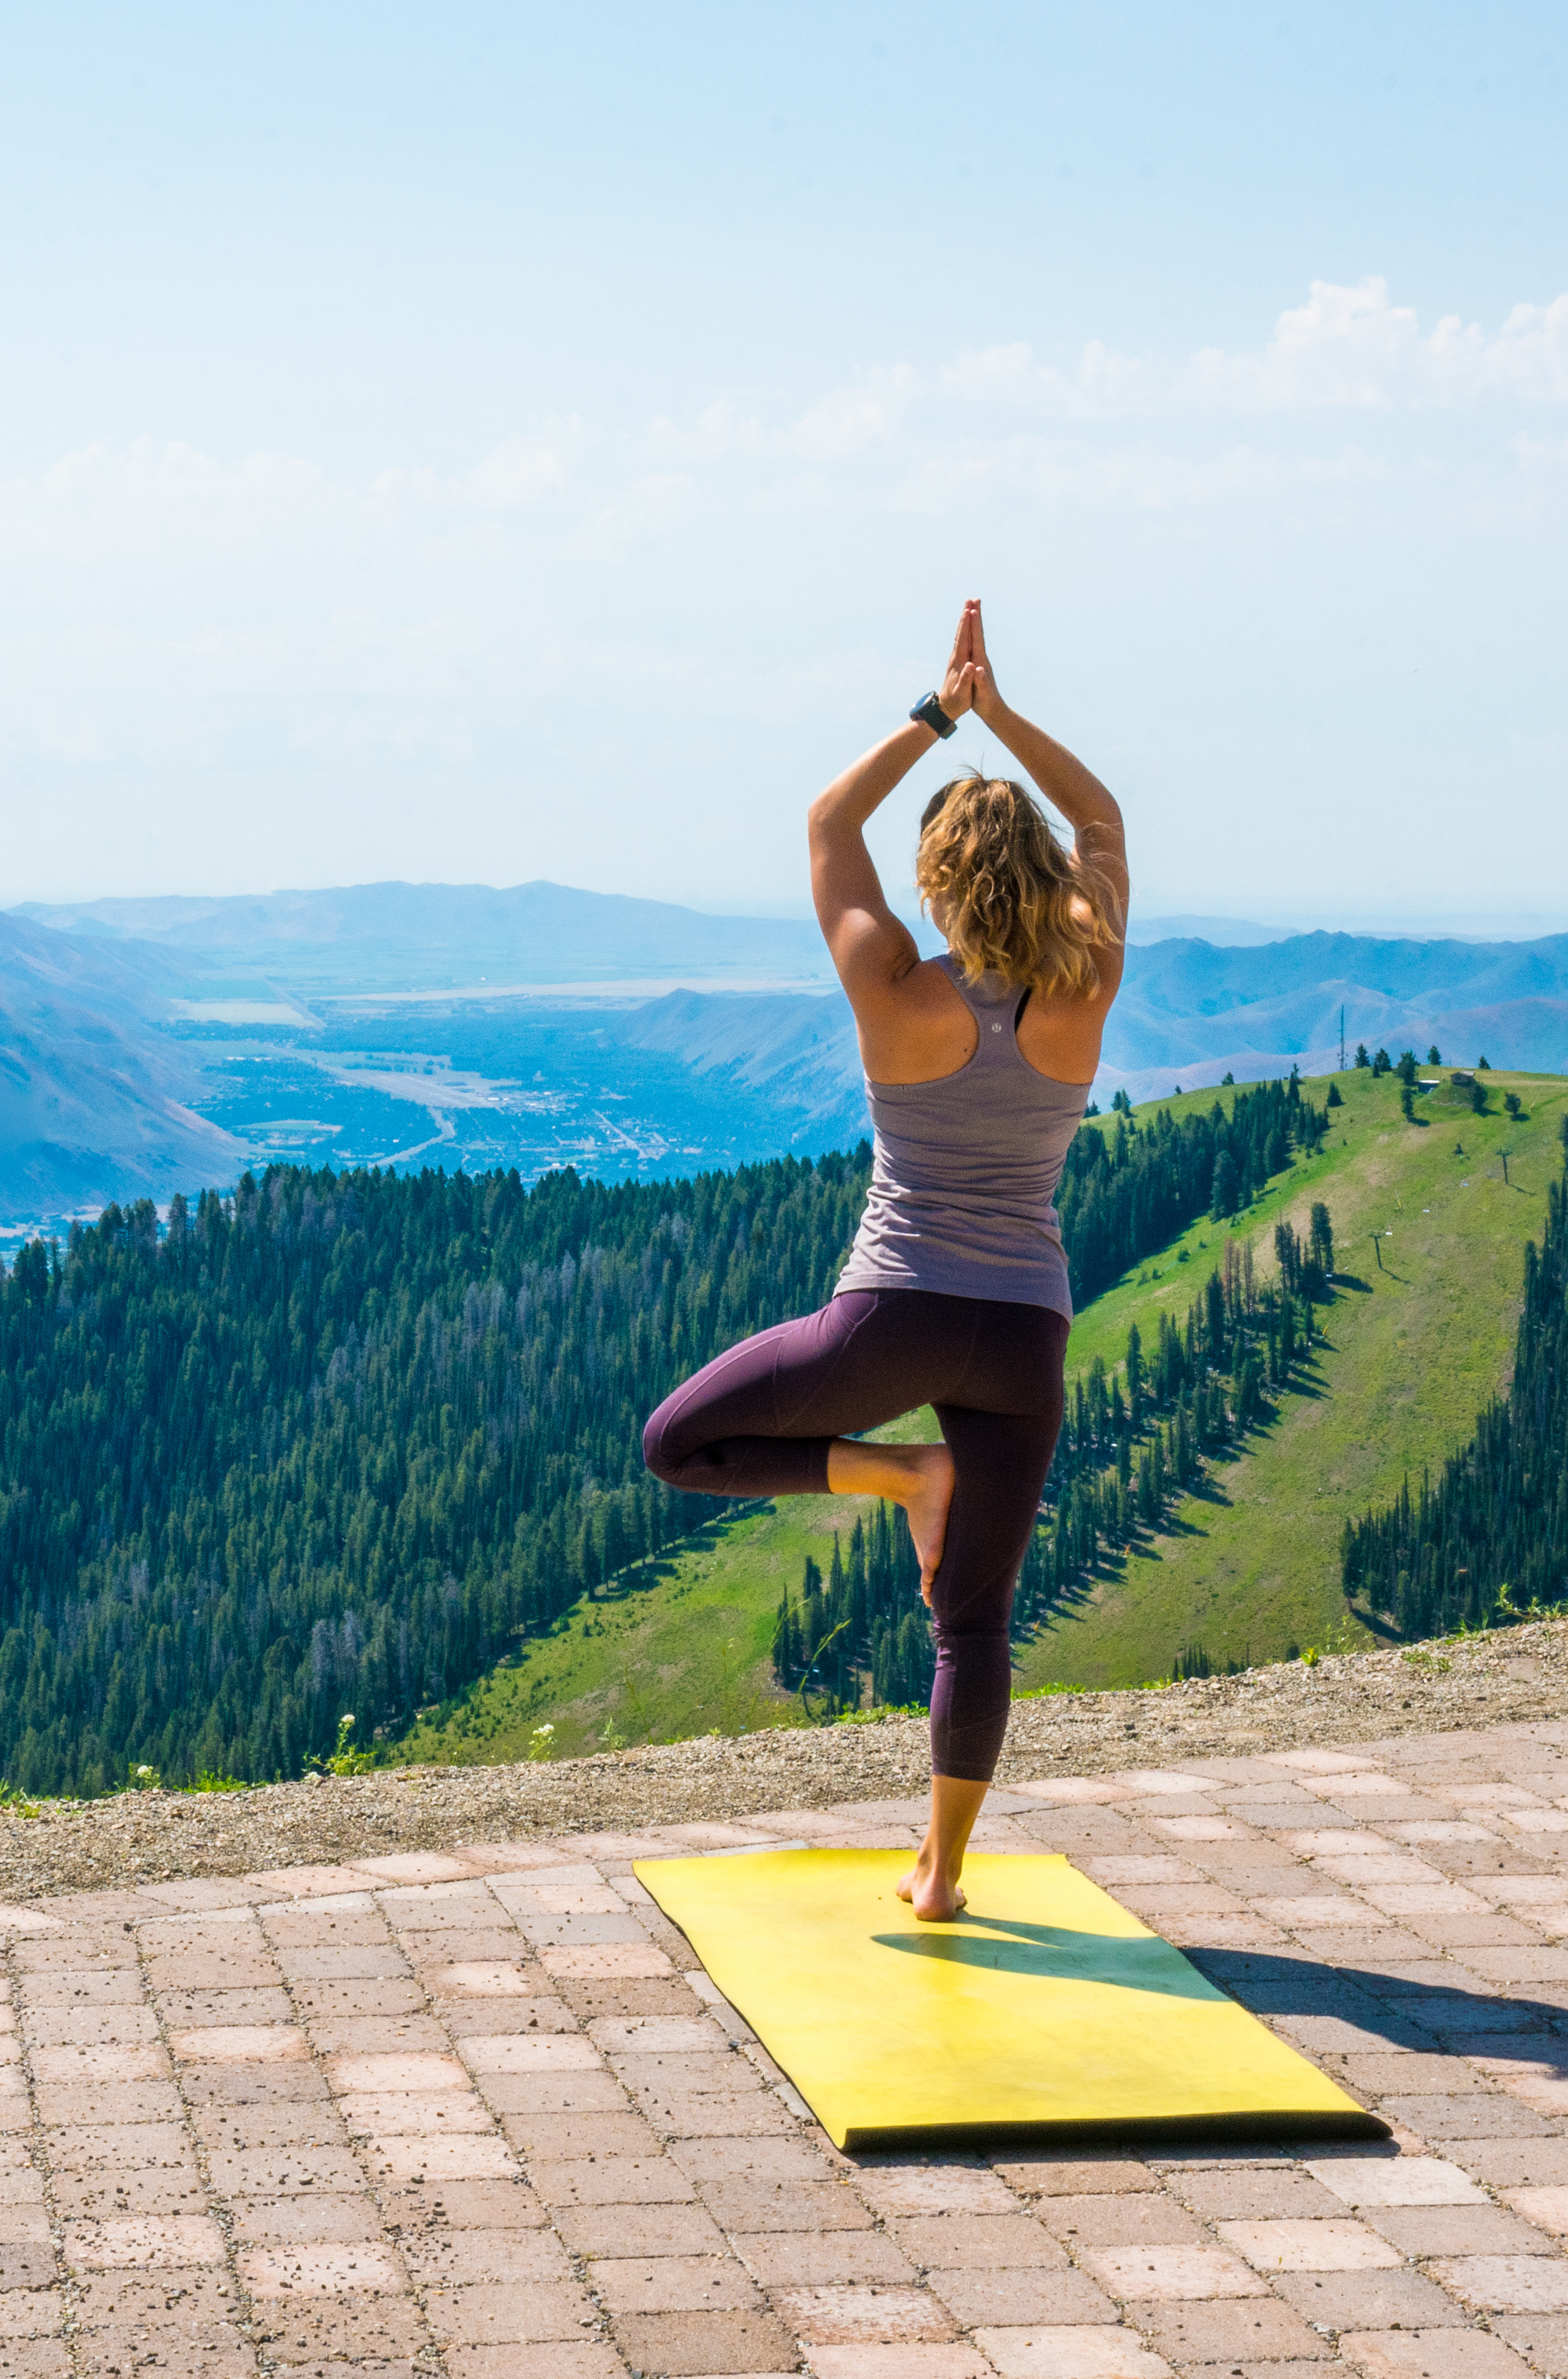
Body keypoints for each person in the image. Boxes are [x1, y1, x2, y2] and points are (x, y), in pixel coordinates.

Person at [639, 600, 1127, 1921]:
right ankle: (941, 1873)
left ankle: (904, 1473)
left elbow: (827, 823)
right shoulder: (1084, 984)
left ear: (937, 884)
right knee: (974, 1623)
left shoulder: (892, 984)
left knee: (679, 1444)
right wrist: (1005, 715)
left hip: (893, 1314)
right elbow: (1101, 818)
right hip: (1023, 1335)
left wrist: (941, 714)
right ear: (1045, 875)